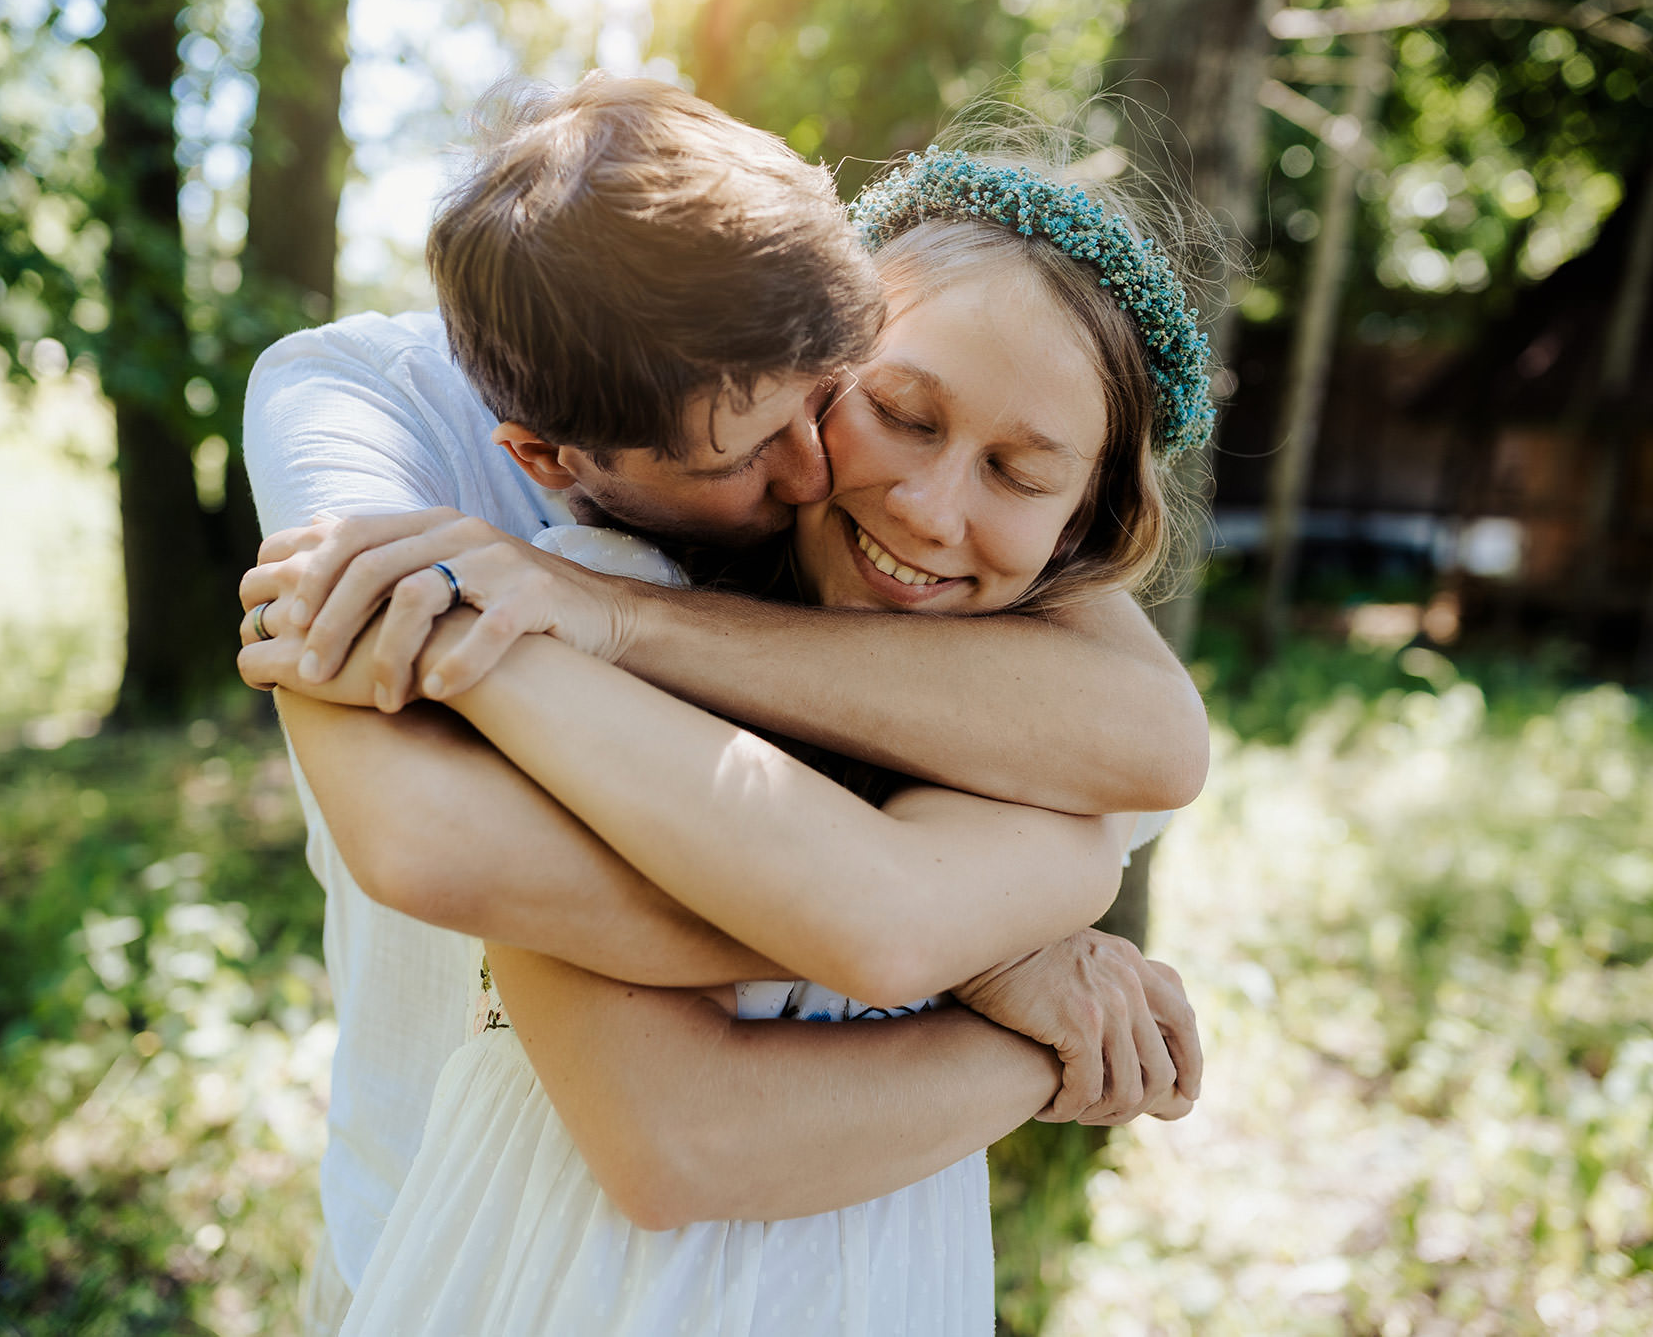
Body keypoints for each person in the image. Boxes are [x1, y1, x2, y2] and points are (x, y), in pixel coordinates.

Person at [236, 75, 1209, 1332]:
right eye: (897, 414)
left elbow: (1157, 744)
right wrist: (1000, 969)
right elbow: (676, 1121)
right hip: (480, 1252)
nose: (864, 484)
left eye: (1019, 474)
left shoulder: (1029, 680)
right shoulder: (438, 473)